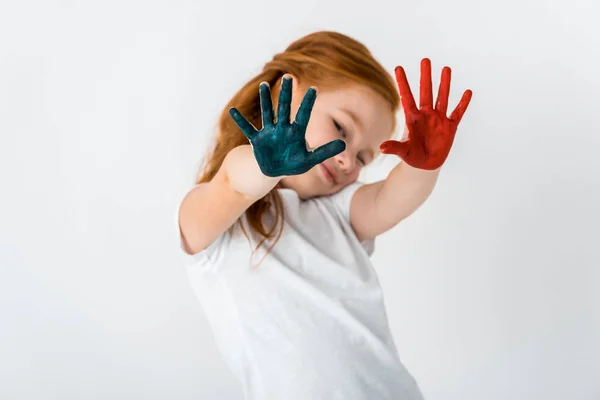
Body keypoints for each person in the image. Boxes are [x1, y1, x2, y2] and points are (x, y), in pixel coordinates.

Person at [176, 30, 472, 400]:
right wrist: (265, 166)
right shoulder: (218, 227)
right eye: (340, 128)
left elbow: (391, 200)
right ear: (289, 91)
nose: (349, 159)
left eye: (364, 157)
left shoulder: (340, 213)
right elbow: (234, 183)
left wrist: (423, 166)